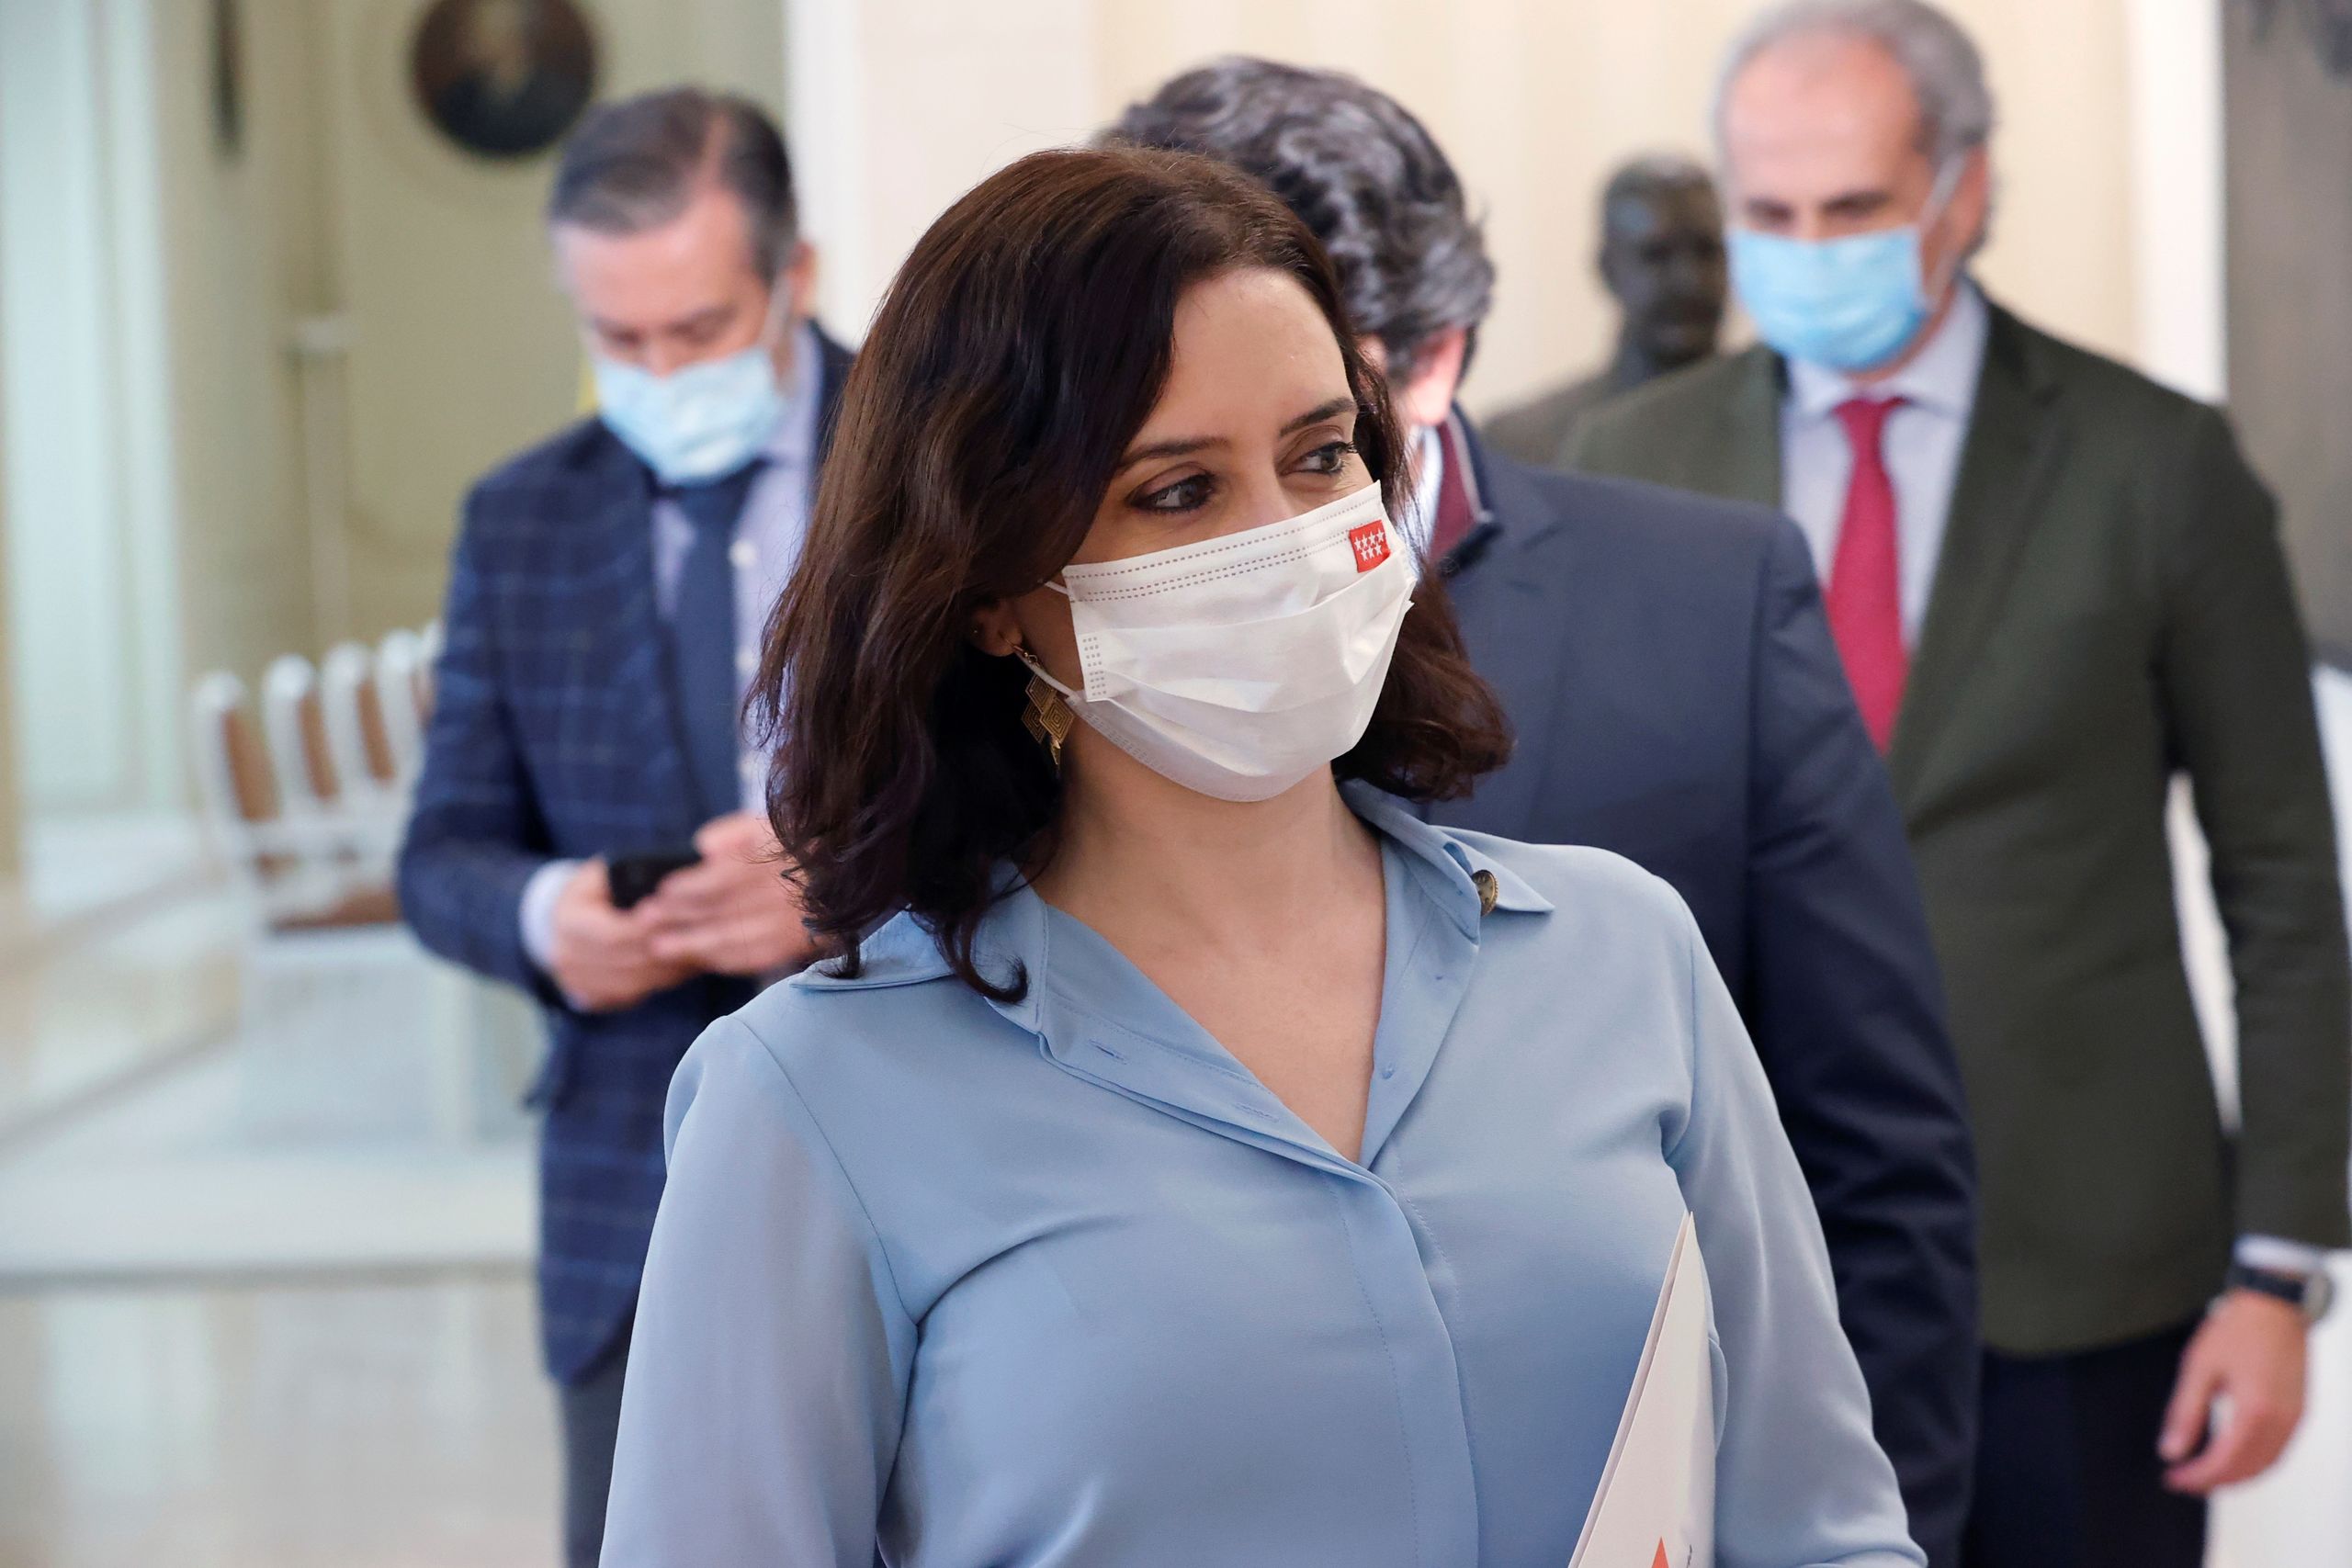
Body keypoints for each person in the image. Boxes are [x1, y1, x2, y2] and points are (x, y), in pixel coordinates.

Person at [598, 144, 1923, 1568]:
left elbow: (1823, 1528)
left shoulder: (1623, 953)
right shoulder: (815, 1092)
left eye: (1319, 454)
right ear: (988, 586)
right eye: (1179, 490)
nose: (1287, 542)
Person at [1112, 59, 1977, 1566]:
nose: (1254, 528)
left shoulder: (1707, 604)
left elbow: (1877, 1172)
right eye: (1175, 466)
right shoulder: (1054, 655)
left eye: (1316, 440)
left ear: (1430, 360)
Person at [1567, 5, 2352, 1565]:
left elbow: (2279, 876)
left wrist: (2280, 1268)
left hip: (2086, 1278)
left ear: (1963, 189)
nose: (1806, 249)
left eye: (1852, 207)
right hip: (1739, 1263)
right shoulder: (1626, 463)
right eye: (1769, 211)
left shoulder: (2156, 461)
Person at [395, 87, 852, 1568]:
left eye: (698, 329)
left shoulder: (945, 464)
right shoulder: (521, 518)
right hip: (628, 1179)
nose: (659, 372)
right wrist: (549, 920)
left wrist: (852, 886)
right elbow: (442, 852)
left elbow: (1072, 793)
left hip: (928, 1126)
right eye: (618, 336)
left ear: (795, 275)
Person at [1486, 154, 1727, 467]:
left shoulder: (1779, 427)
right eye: (1656, 255)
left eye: (1707, 251)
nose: (1689, 281)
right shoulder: (1526, 443)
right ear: (1608, 270)